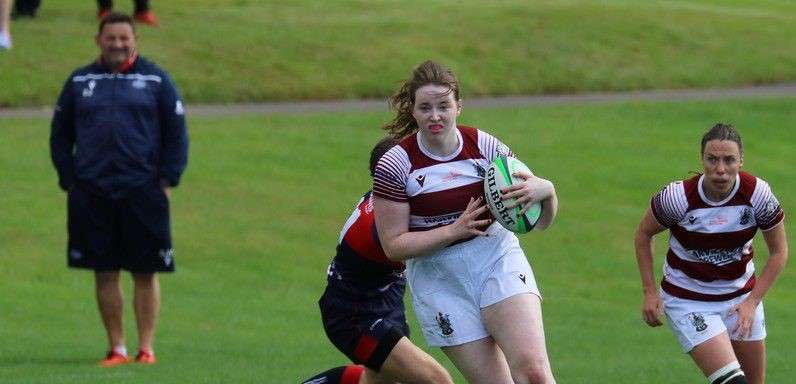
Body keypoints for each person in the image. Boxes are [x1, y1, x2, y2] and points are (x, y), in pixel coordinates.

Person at [372, 60, 559, 384]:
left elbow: (538, 221)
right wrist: (452, 231)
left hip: (495, 258)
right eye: (425, 107)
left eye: (444, 106)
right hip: (440, 280)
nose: (435, 116)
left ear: (458, 105)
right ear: (413, 111)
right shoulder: (396, 165)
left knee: (534, 372)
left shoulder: (486, 147)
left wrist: (548, 191)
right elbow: (393, 246)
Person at [50, 12, 188, 367]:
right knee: (104, 271)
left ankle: (146, 349)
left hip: (143, 192)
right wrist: (70, 180)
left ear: (135, 40)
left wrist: (166, 182)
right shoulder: (79, 81)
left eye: (124, 38)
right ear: (99, 40)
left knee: (146, 271)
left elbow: (176, 135)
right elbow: (60, 135)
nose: (117, 44)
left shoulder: (156, 80)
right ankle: (117, 349)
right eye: (111, 38)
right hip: (92, 193)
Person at [634, 123, 788, 384]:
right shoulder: (678, 198)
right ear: (702, 160)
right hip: (689, 302)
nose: (720, 169)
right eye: (712, 159)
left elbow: (779, 252)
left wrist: (752, 303)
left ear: (741, 161)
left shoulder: (758, 195)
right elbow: (643, 234)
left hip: (741, 300)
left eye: (729, 160)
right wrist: (649, 291)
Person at [302, 137, 453, 384]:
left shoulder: (391, 201)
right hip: (353, 315)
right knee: (436, 380)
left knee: (380, 381)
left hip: (386, 299)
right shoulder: (382, 226)